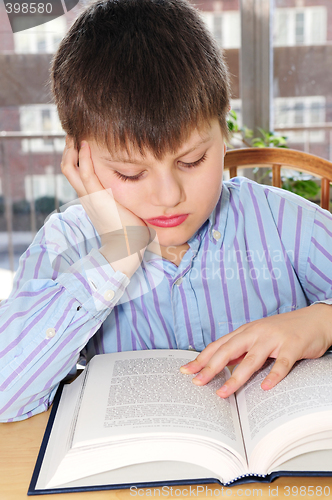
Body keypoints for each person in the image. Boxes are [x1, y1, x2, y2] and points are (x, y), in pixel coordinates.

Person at [0, 0, 332, 423]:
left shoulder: (280, 221)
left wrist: (322, 322)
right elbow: (4, 394)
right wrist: (116, 256)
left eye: (192, 161)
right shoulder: (66, 242)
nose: (168, 195)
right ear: (79, 161)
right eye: (130, 173)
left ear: (224, 133)